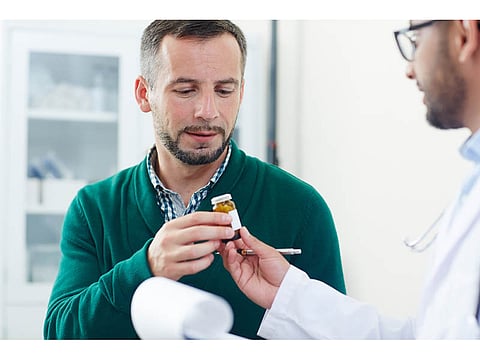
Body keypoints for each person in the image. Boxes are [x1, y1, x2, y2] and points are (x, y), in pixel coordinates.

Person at [43, 20, 346, 339]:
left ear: (241, 93)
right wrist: (145, 268)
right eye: (186, 90)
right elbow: (59, 335)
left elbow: (336, 340)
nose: (208, 111)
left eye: (224, 90)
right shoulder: (94, 209)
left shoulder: (300, 207)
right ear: (144, 94)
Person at [220, 20, 480, 340]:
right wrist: (288, 295)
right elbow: (428, 338)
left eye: (416, 40)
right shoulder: (472, 181)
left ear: (464, 34)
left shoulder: (300, 204)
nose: (410, 70)